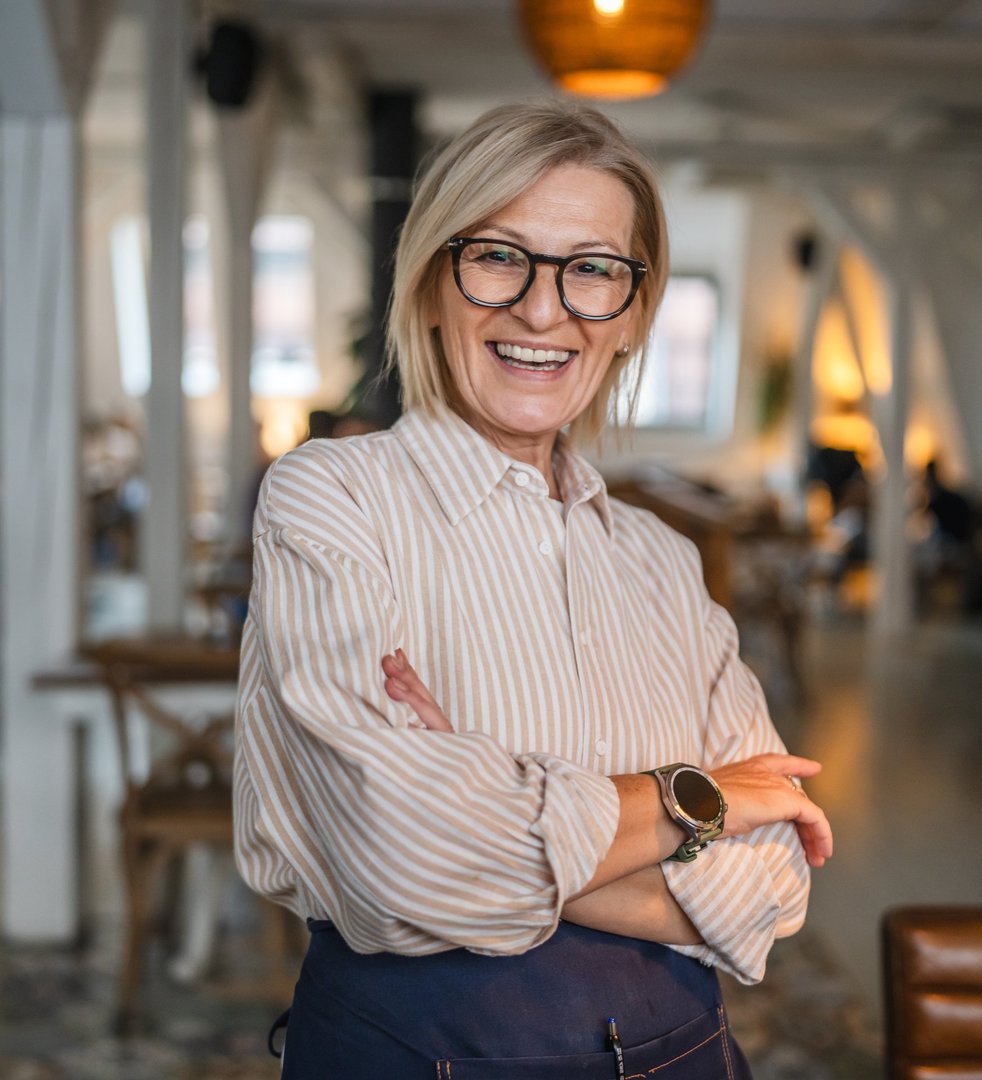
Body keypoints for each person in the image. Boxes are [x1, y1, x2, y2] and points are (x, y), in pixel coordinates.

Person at [234, 100, 832, 1079]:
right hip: (420, 1051)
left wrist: (488, 792)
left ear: (633, 316)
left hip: (684, 1051)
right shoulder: (332, 498)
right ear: (432, 281)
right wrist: (701, 800)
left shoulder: (662, 560)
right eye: (499, 256)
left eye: (593, 269)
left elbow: (772, 886)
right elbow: (398, 857)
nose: (544, 310)